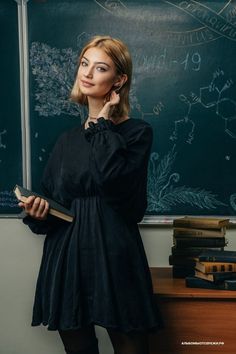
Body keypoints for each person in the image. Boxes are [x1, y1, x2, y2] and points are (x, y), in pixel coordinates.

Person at [19, 35, 162, 354]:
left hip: (114, 255)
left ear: (119, 79)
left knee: (132, 346)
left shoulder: (136, 133)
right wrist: (39, 211)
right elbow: (56, 201)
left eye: (100, 68)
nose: (87, 73)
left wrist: (99, 123)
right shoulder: (65, 141)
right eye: (84, 64)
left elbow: (117, 186)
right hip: (67, 256)